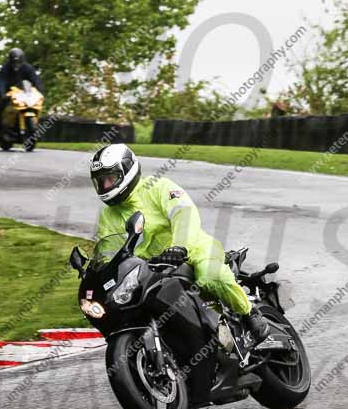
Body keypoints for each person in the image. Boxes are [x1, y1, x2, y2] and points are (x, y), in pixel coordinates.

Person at [90, 143, 269, 345]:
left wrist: (179, 246)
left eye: (110, 179)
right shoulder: (108, 216)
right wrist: (98, 269)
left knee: (210, 276)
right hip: (152, 270)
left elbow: (183, 214)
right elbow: (109, 251)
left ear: (127, 171)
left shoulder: (157, 187)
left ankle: (249, 312)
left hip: (194, 250)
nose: (105, 186)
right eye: (101, 182)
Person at [0, 48, 44, 136]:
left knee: (34, 104)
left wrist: (40, 90)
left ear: (22, 60)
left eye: (18, 62)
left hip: (22, 93)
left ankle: (33, 125)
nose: (16, 65)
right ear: (10, 60)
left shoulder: (27, 67)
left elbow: (35, 79)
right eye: (14, 62)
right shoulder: (5, 68)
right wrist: (2, 94)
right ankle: (0, 130)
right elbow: (1, 81)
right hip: (7, 93)